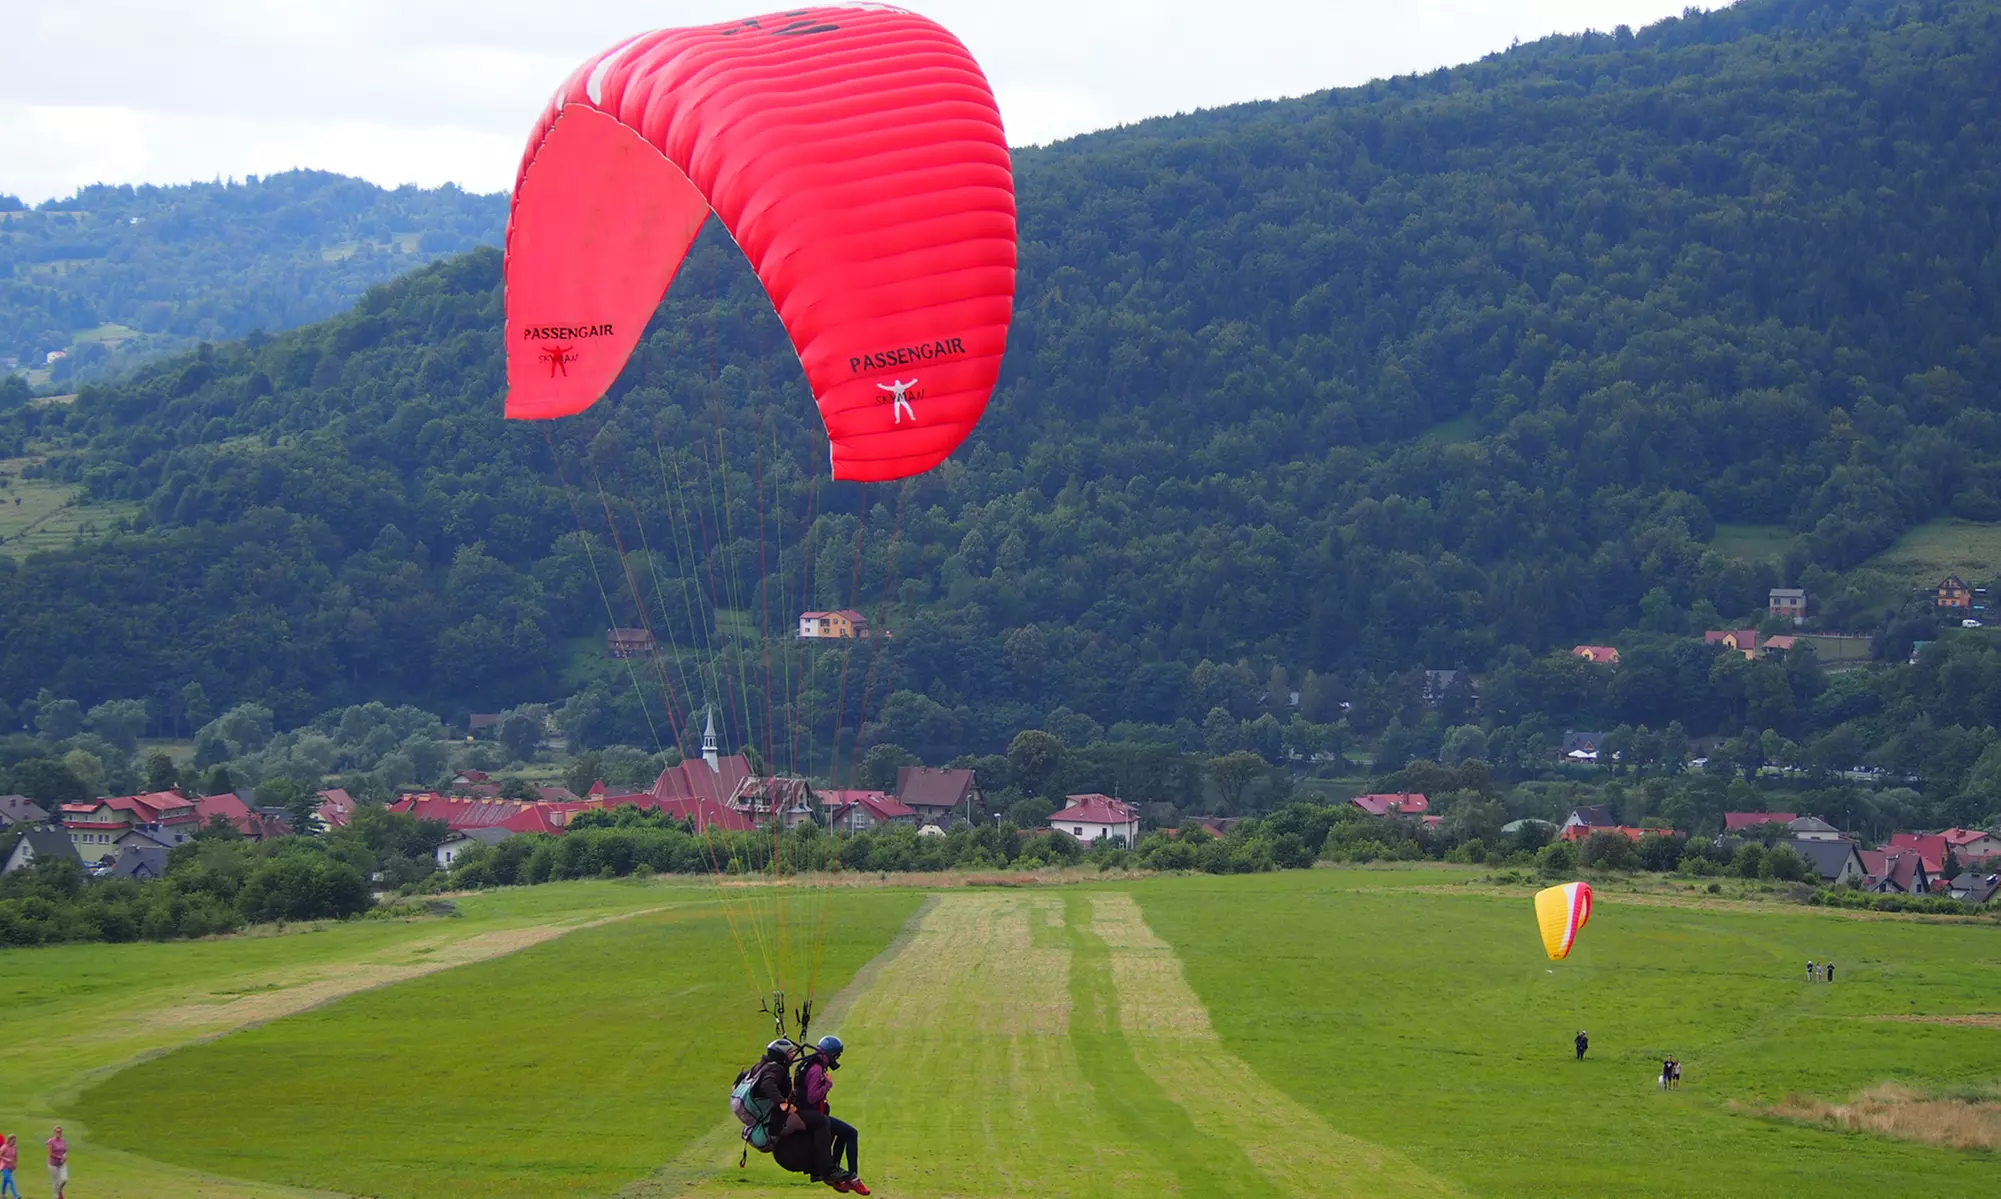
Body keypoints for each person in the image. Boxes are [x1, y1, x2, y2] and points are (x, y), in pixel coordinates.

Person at [797, 1035, 867, 1195]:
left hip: (809, 1113)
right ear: (830, 1053)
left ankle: (834, 1170)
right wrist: (828, 1084)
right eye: (836, 1055)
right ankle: (853, 1177)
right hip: (813, 1116)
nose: (837, 1059)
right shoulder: (816, 1070)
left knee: (843, 1133)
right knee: (851, 1133)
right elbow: (812, 1096)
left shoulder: (810, 1065)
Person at [45, 1126, 65, 1199]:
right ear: (54, 1132)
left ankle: (59, 1191)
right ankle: (56, 1197)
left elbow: (65, 1151)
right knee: (55, 1182)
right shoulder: (51, 1141)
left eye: (60, 1132)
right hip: (53, 1164)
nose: (58, 1133)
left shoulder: (63, 1140)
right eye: (57, 1131)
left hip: (61, 1163)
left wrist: (65, 1157)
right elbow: (50, 1153)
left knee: (64, 1179)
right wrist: (59, 1157)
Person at [0, 1132, 18, 1199]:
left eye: (15, 1141)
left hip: (10, 1167)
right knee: (10, 1180)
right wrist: (7, 1159)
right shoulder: (4, 1147)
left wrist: (15, 1164)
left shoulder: (14, 1148)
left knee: (5, 1181)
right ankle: (16, 1195)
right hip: (4, 1166)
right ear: (9, 1140)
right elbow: (0, 1156)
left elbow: (15, 1156)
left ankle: (2, 1195)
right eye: (13, 1141)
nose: (14, 1142)